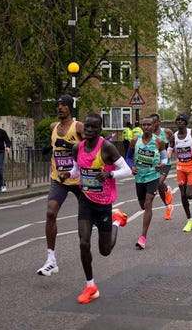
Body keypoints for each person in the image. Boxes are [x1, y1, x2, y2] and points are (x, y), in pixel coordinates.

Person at [59, 113, 131, 304]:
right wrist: (69, 174)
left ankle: (116, 220)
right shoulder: (77, 148)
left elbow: (127, 170)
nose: (89, 130)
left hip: (104, 203)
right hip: (86, 200)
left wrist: (109, 175)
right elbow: (77, 169)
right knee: (83, 242)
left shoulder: (106, 147)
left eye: (94, 127)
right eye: (87, 127)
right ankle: (90, 285)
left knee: (105, 251)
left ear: (100, 130)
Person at [37, 95, 85, 276]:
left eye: (63, 105)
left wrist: (67, 143)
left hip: (79, 178)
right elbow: (56, 145)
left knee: (91, 216)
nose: (59, 108)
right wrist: (50, 149)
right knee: (50, 212)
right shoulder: (53, 127)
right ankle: (51, 260)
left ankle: (111, 221)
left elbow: (89, 146)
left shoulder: (78, 127)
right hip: (59, 178)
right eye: (57, 105)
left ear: (70, 108)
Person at [126, 116, 168, 249]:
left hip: (153, 176)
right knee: (143, 205)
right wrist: (131, 166)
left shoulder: (159, 141)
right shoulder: (134, 141)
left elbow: (165, 158)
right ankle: (148, 214)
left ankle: (142, 237)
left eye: (148, 125)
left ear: (153, 126)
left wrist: (161, 165)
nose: (146, 127)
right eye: (143, 125)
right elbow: (127, 157)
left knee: (148, 202)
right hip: (139, 177)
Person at [167, 113, 192, 232]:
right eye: (177, 121)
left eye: (181, 120)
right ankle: (189, 220)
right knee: (183, 194)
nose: (179, 122)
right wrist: (169, 155)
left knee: (190, 195)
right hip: (180, 168)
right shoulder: (174, 136)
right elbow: (170, 147)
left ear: (186, 123)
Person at [150, 113, 174, 220]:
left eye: (155, 122)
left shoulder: (166, 132)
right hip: (154, 164)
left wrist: (170, 152)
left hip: (165, 163)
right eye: (151, 122)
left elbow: (174, 142)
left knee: (159, 182)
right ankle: (168, 206)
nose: (153, 124)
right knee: (159, 186)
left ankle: (166, 192)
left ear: (158, 122)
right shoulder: (148, 134)